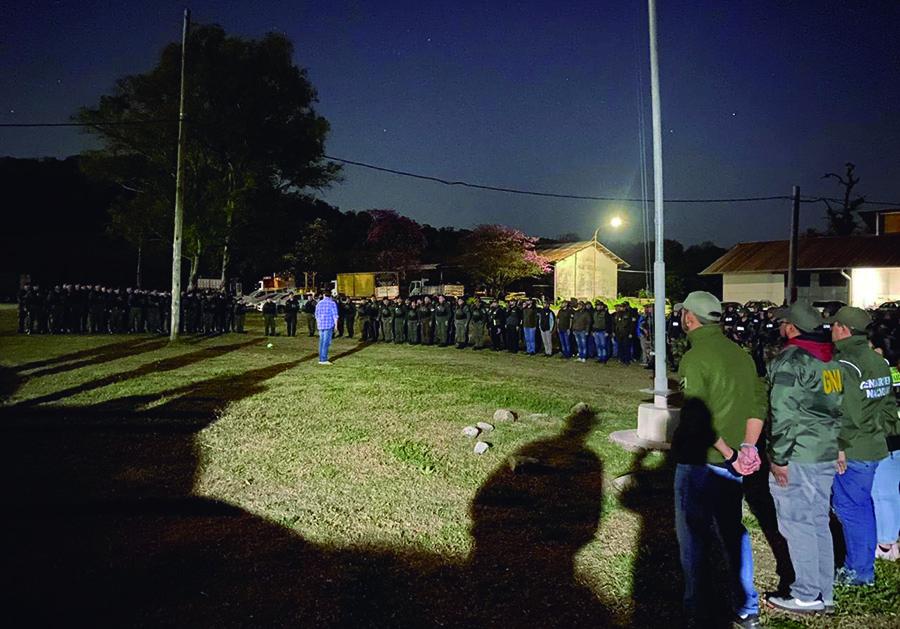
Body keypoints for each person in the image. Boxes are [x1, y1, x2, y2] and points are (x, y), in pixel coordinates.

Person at [673, 291, 765, 629]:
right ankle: (747, 606)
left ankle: (698, 608)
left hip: (702, 462)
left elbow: (697, 421)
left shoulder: (695, 358)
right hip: (734, 464)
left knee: (694, 536)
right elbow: (758, 403)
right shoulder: (741, 355)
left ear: (689, 318)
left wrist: (728, 454)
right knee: (732, 532)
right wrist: (747, 450)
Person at [765, 301, 842, 615]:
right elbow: (836, 406)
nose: (780, 327)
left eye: (784, 323)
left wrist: (778, 458)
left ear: (792, 327)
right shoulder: (831, 360)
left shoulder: (791, 361)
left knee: (797, 523)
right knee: (818, 521)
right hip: (825, 450)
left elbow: (782, 415)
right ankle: (824, 590)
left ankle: (807, 594)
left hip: (799, 453)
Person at [829, 306, 892, 585]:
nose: (830, 330)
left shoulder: (838, 364)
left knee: (851, 510)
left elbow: (836, 409)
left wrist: (838, 444)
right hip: (874, 445)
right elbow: (888, 406)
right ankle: (862, 569)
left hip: (851, 450)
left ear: (843, 328)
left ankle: (858, 573)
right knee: (862, 506)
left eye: (833, 325)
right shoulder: (879, 361)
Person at [314, 292, 339, 365]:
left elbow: (316, 314)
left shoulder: (319, 303)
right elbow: (335, 315)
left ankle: (321, 358)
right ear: (330, 295)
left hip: (321, 325)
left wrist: (318, 322)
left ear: (324, 295)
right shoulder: (332, 303)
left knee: (321, 342)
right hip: (328, 325)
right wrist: (336, 326)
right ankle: (323, 359)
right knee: (326, 342)